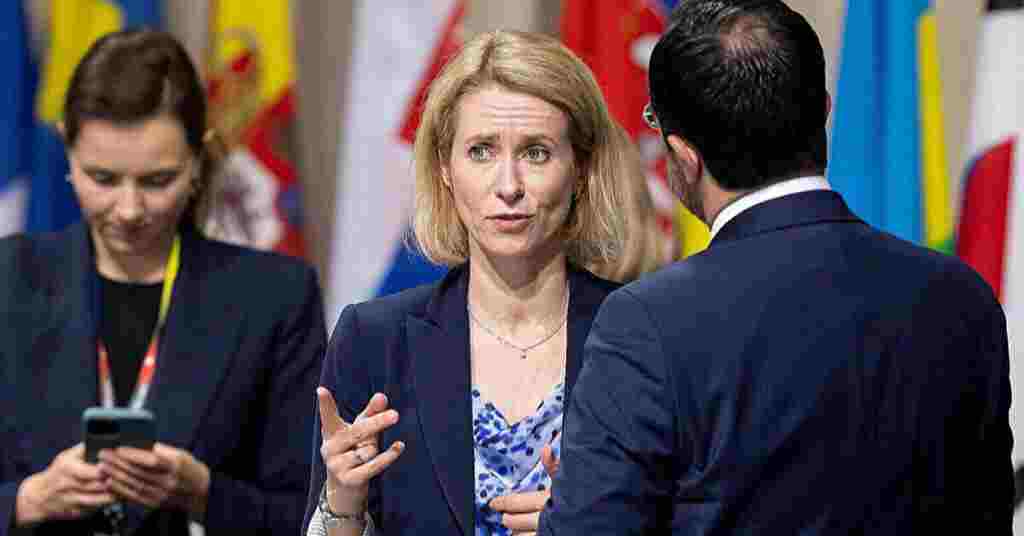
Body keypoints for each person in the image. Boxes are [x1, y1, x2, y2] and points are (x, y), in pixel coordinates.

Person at [539, 0, 1013, 534]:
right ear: (825, 111)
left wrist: (574, 505)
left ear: (684, 157)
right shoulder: (962, 297)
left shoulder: (647, 323)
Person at [304, 30, 636, 536]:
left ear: (581, 169)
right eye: (481, 151)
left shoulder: (640, 336)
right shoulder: (374, 340)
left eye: (536, 153)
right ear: (445, 168)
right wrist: (344, 503)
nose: (508, 186)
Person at [0, 29, 326, 535]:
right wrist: (27, 500)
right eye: (103, 178)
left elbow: (313, 517)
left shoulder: (276, 298)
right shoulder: (9, 279)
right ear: (66, 150)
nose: (129, 210)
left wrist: (205, 494)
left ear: (198, 159)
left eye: (156, 181)